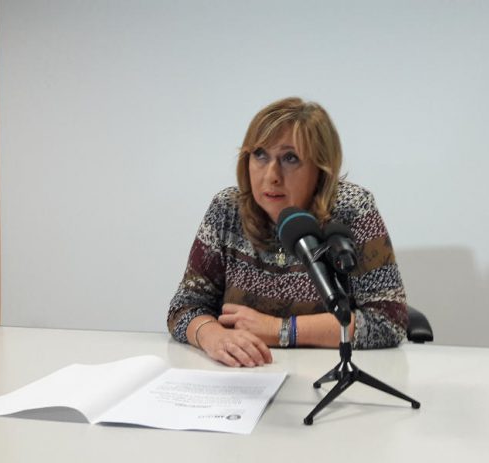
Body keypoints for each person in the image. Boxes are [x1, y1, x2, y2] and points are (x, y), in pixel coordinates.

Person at [167, 97, 408, 367]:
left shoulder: (352, 209)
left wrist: (279, 329)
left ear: (321, 169)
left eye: (290, 158)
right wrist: (212, 336)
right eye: (260, 155)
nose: (271, 175)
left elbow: (389, 321)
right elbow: (184, 306)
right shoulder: (227, 210)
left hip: (327, 373)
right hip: (244, 375)